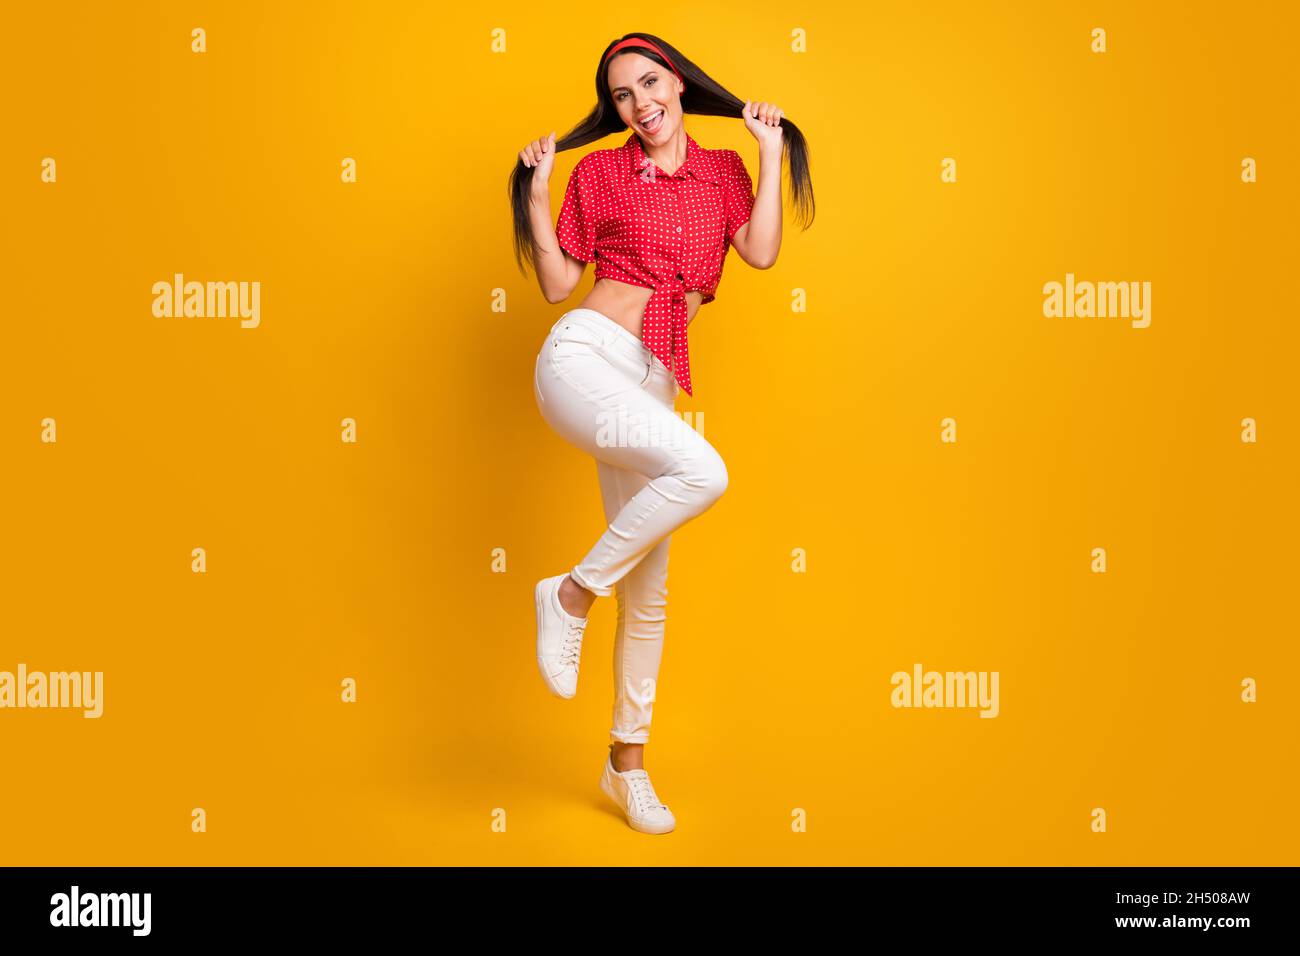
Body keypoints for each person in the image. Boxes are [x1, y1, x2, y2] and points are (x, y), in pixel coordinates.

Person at [509, 32, 814, 834]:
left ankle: (626, 765)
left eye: (650, 85)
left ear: (677, 83)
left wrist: (771, 152)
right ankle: (569, 594)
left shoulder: (722, 170)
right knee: (704, 472)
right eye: (623, 96)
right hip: (586, 355)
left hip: (653, 382)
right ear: (614, 109)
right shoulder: (600, 170)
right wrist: (539, 197)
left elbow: (760, 251)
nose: (641, 105)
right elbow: (556, 284)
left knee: (649, 591)